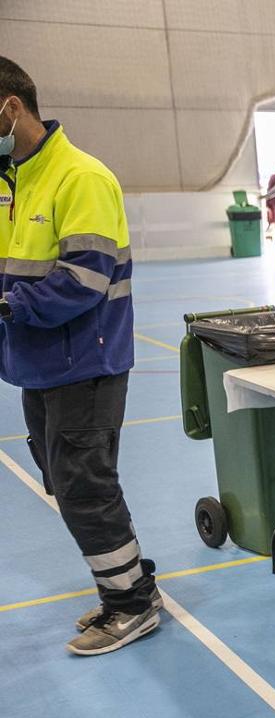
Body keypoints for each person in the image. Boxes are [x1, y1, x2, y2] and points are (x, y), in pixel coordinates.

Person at [0, 57, 162, 655]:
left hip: (84, 363)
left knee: (85, 486)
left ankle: (131, 606)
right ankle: (130, 585)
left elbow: (83, 280)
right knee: (65, 481)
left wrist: (7, 306)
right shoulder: (11, 180)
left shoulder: (81, 177)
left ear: (11, 107)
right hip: (36, 362)